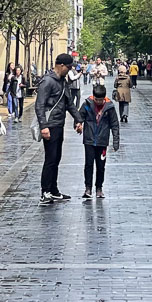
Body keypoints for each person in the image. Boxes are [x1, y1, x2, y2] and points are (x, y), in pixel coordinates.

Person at [35, 53, 76, 204]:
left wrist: (78, 119)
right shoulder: (47, 82)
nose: (70, 70)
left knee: (56, 158)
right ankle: (45, 192)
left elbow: (69, 103)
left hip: (59, 124)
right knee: (50, 159)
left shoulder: (63, 82)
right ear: (61, 66)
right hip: (50, 125)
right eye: (69, 67)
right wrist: (43, 126)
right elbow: (39, 105)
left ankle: (53, 190)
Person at [75, 82, 121, 198]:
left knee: (101, 166)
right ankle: (88, 188)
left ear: (104, 98)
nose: (98, 102)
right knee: (88, 165)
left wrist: (116, 141)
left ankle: (99, 188)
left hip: (102, 141)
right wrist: (78, 125)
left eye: (101, 100)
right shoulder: (87, 104)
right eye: (97, 99)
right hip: (89, 140)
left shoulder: (109, 107)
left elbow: (114, 125)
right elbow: (79, 117)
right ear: (93, 96)